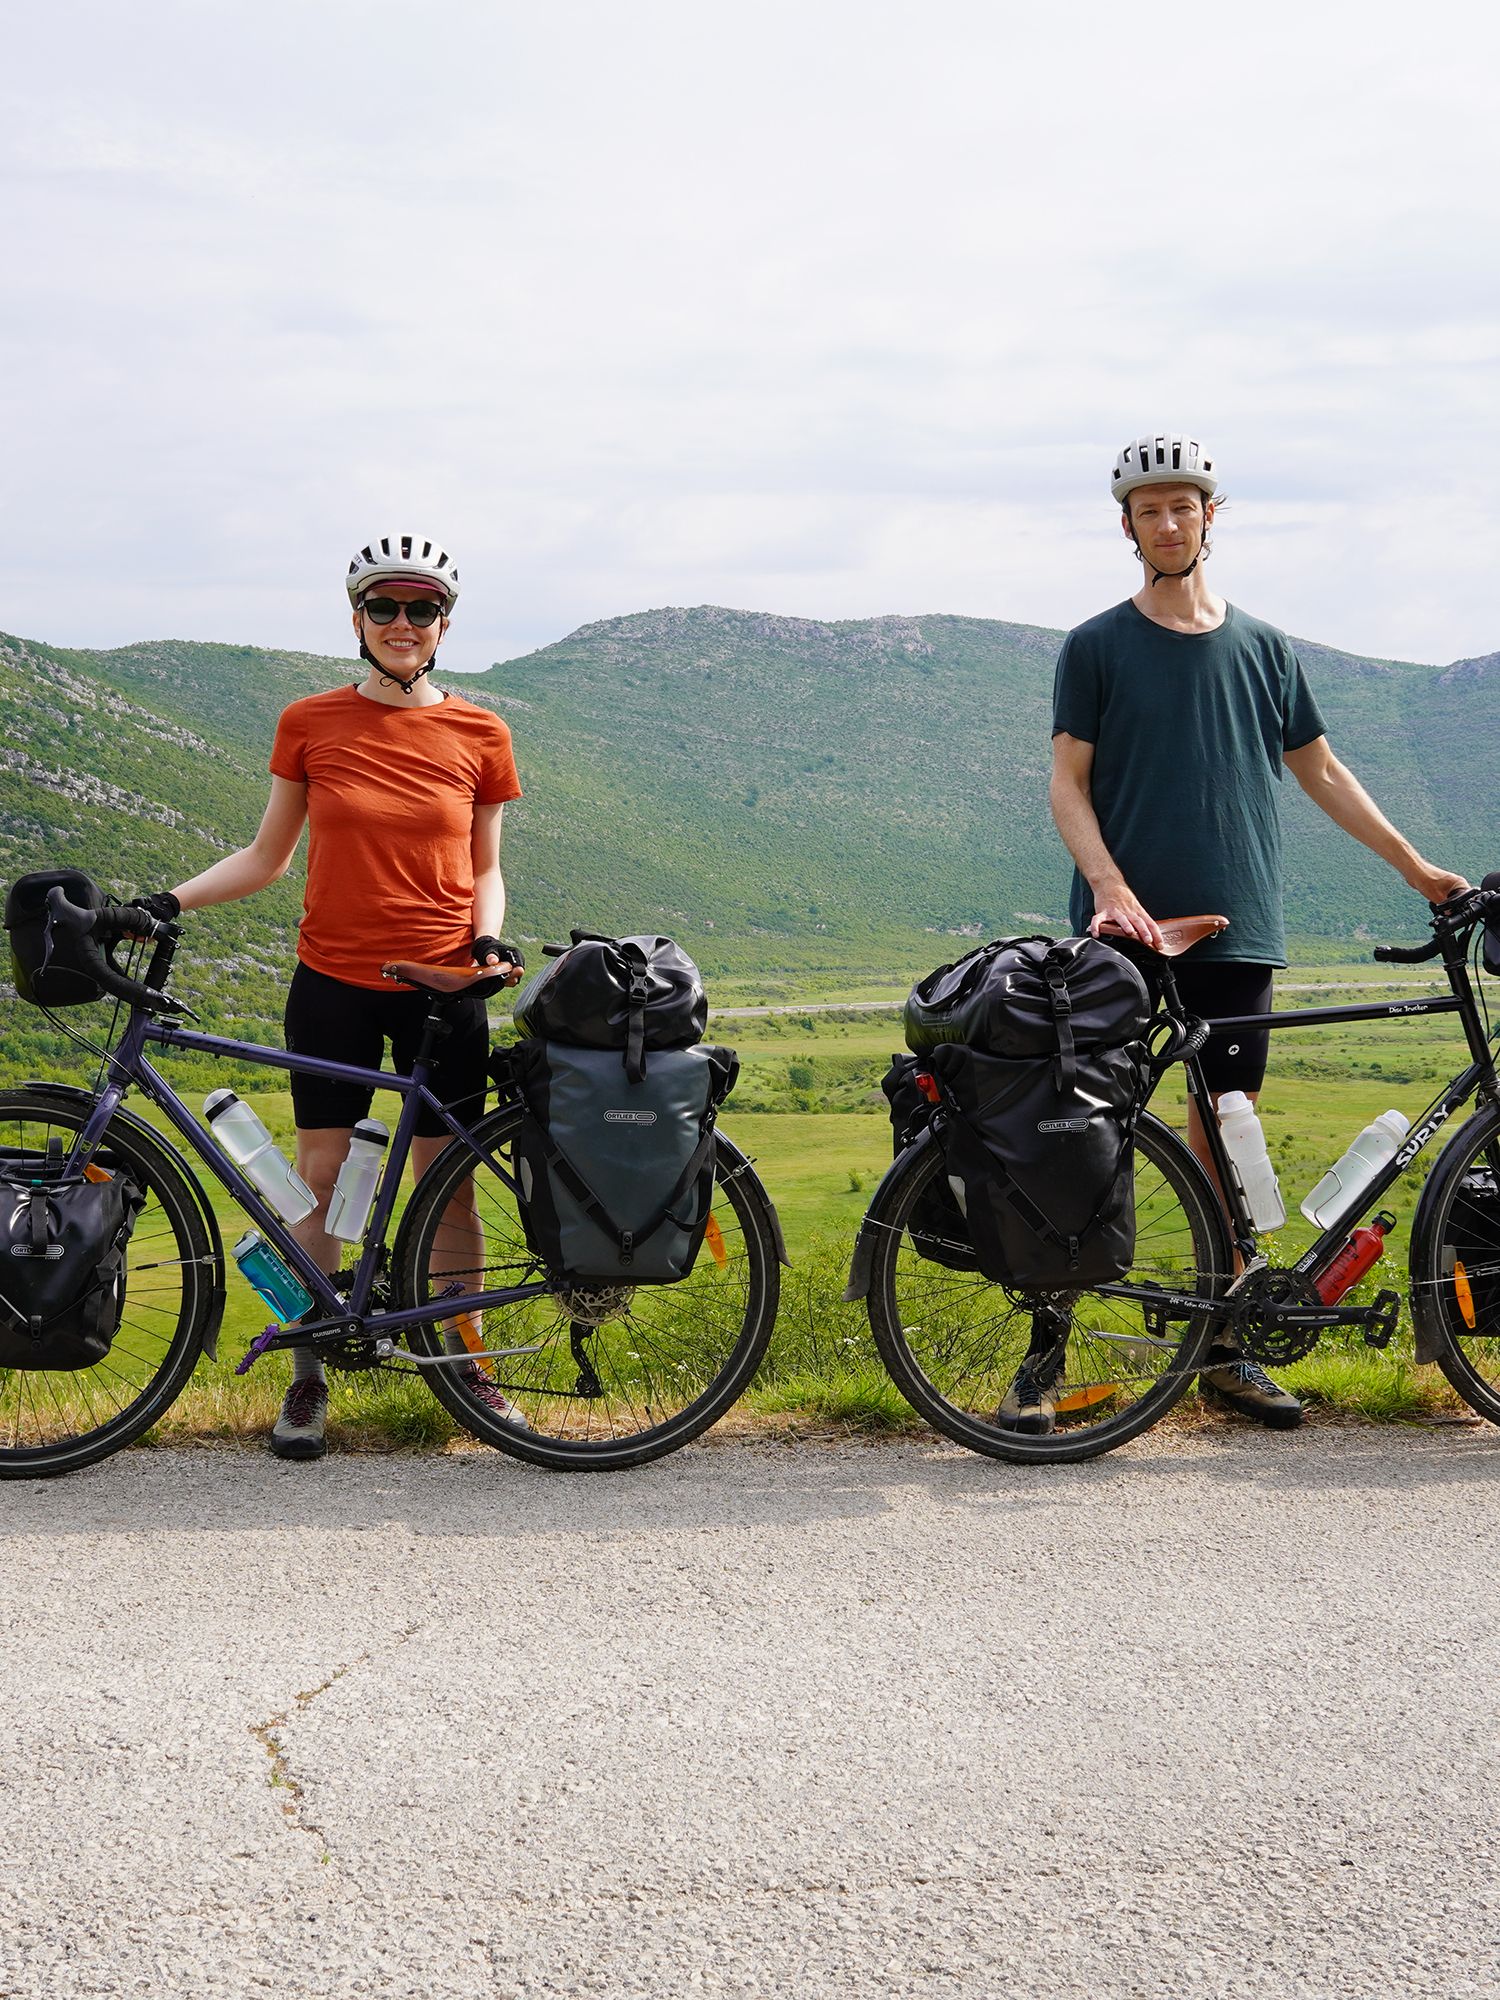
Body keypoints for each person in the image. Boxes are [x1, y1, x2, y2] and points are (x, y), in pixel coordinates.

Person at [1014, 433, 1468, 1436]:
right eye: (1149, 510)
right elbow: (1067, 782)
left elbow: (1323, 772)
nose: (1169, 523)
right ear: (1126, 526)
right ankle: (1040, 1357)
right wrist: (1108, 885)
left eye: (1184, 506)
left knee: (1226, 1128)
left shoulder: (1262, 646)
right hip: (1127, 927)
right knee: (1089, 1136)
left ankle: (1223, 1346)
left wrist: (1417, 868)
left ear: (1212, 517)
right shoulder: (1096, 645)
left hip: (1242, 921)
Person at [136, 533, 527, 1459]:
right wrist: (162, 904)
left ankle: (469, 1367)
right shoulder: (309, 720)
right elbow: (266, 857)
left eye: (421, 609)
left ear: (443, 625)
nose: (403, 623)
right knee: (317, 1184)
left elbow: (487, 868)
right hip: (332, 983)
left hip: (443, 985)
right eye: (384, 607)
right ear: (356, 619)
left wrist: (486, 938)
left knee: (449, 1187)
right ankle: (309, 1375)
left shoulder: (480, 732)